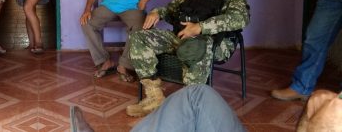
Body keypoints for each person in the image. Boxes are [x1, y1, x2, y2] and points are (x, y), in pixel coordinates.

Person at [127, 0, 249, 117]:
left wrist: (200, 27)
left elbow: (239, 18)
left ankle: (190, 104)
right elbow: (172, 8)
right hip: (180, 37)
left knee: (195, 46)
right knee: (138, 36)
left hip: (212, 43)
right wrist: (157, 12)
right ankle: (154, 97)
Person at [71, 85, 342, 132]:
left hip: (204, 41)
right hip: (184, 37)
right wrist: (311, 111)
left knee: (197, 96)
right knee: (194, 96)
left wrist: (328, 112)